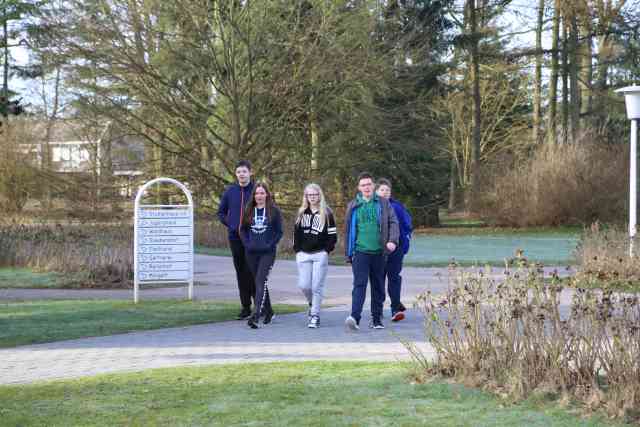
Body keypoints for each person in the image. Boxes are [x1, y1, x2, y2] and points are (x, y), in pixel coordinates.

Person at [344, 172, 399, 330]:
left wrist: (392, 241)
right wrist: (349, 252)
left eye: (369, 184)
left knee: (378, 286)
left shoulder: (383, 203)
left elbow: (393, 222)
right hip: (360, 252)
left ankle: (376, 319)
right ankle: (355, 317)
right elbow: (348, 230)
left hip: (379, 252)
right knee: (359, 285)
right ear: (359, 188)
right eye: (363, 185)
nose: (366, 187)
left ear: (373, 186)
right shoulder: (353, 205)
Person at [217, 160, 258, 320]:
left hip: (253, 236)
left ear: (250, 173)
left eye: (244, 171)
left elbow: (267, 211)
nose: (241, 174)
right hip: (235, 237)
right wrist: (232, 224)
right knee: (241, 271)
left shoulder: (257, 190)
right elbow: (221, 212)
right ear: (236, 174)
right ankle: (245, 307)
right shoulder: (230, 191)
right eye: (239, 172)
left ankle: (259, 305)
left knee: (253, 271)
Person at [293, 183, 337, 328]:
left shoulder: (327, 213)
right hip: (303, 254)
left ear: (320, 195)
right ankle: (312, 304)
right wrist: (297, 250)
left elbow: (332, 236)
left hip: (320, 254)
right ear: (306, 196)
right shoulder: (301, 212)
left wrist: (326, 250)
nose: (312, 197)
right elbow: (296, 234)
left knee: (317, 286)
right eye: (309, 195)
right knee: (304, 286)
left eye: (315, 195)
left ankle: (315, 315)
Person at [239, 182, 283, 329]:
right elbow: (243, 230)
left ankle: (256, 315)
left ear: (267, 195)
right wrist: (247, 243)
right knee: (260, 282)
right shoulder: (249, 209)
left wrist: (270, 244)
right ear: (254, 196)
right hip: (251, 253)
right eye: (257, 193)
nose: (259, 196)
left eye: (262, 193)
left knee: (260, 280)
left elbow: (279, 232)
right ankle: (269, 312)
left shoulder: (274, 211)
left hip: (267, 253)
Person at [376, 178, 413, 322]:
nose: (385, 192)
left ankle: (395, 309)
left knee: (394, 279)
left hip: (395, 250)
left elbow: (407, 226)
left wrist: (404, 245)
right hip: (377, 250)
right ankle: (377, 310)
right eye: (382, 190)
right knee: (378, 280)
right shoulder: (371, 207)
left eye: (387, 190)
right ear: (376, 191)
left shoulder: (397, 207)